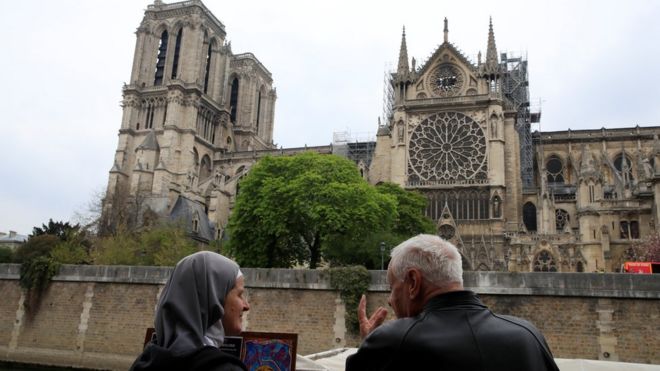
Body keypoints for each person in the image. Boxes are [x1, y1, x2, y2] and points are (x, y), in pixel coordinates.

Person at [346, 234, 559, 371]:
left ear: (413, 282)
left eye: (392, 288)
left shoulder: (392, 342)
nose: (390, 301)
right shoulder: (528, 336)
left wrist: (371, 346)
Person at [130, 251, 250, 371]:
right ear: (214, 298)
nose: (246, 305)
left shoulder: (145, 362)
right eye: (240, 294)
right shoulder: (224, 368)